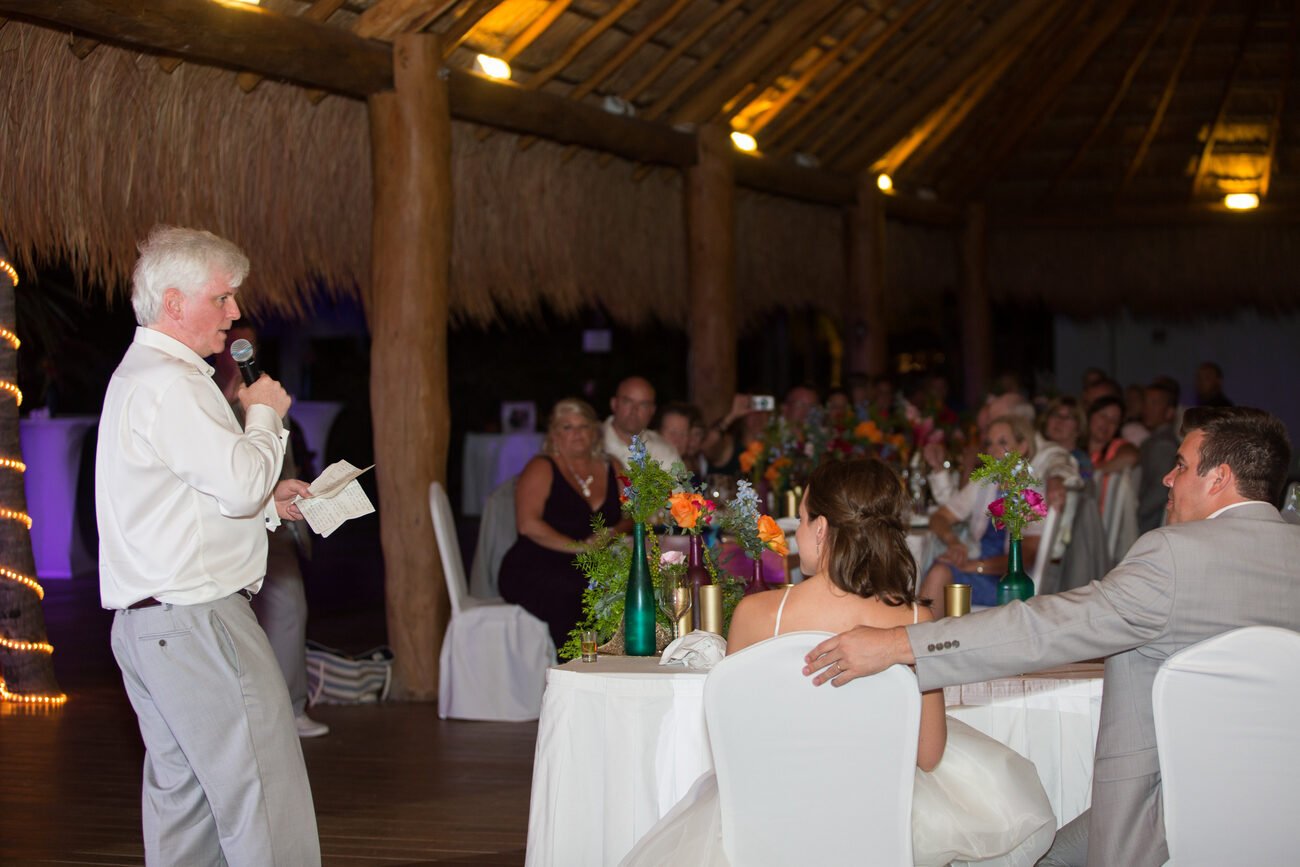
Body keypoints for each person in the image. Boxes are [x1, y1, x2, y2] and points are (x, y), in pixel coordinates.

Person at [804, 407, 1300, 867]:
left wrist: (899, 644)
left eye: (1182, 466)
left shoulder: (1174, 555)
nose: (1168, 478)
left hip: (1164, 822)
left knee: (1017, 854)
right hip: (1281, 816)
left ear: (1220, 479)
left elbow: (1046, 628)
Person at [622, 460, 1055, 866]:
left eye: (804, 518)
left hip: (775, 822)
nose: (798, 533)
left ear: (822, 529)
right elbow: (928, 754)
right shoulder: (915, 620)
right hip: (873, 819)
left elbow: (737, 744)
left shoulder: (756, 614)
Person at [95, 226, 320, 864]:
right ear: (173, 303)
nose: (235, 313)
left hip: (153, 626)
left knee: (187, 804)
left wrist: (267, 508)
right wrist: (265, 414)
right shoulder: (171, 381)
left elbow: (191, 498)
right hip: (197, 622)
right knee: (264, 796)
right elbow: (243, 479)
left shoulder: (144, 375)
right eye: (222, 298)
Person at [212, 325, 329, 739]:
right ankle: (245, 717)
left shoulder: (263, 390)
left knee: (290, 607)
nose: (241, 351)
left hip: (273, 518)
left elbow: (284, 455)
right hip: (226, 528)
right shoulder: (205, 394)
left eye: (250, 345)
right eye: (234, 343)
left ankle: (292, 707)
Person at [500, 398, 627, 649]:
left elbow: (632, 515)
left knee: (628, 583)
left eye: (583, 426)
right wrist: (579, 547)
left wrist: (611, 533)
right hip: (538, 563)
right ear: (554, 435)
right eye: (567, 427)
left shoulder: (612, 466)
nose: (577, 434)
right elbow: (527, 524)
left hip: (592, 562)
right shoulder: (541, 467)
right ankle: (573, 667)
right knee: (577, 590)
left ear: (595, 432)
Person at [918, 414, 1060, 617]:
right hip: (979, 569)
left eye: (1002, 442)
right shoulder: (986, 482)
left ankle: (921, 641)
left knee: (940, 573)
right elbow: (940, 517)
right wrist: (953, 542)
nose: (993, 450)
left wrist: (976, 566)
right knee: (940, 568)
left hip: (1012, 585)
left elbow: (1028, 554)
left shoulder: (1033, 491)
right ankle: (928, 639)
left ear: (1022, 447)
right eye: (989, 443)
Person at [602, 376, 680, 469]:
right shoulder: (593, 443)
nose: (634, 410)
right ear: (614, 403)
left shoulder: (664, 451)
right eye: (628, 402)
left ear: (652, 410)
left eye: (643, 405)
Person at [1136, 379, 1180, 533]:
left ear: (1169, 412)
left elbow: (1160, 489)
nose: (1147, 408)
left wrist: (1135, 516)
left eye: (1154, 403)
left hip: (1149, 526)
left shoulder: (1163, 445)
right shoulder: (1155, 440)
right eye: (1146, 402)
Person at [1085, 395, 1138, 512]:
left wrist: (1089, 472)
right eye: (1103, 415)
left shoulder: (1116, 447)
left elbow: (1131, 456)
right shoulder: (1075, 447)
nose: (1106, 423)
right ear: (1090, 416)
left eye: (1114, 420)